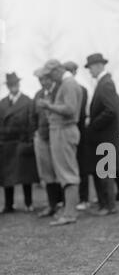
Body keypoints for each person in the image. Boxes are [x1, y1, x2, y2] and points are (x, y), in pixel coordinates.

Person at [37, 60, 83, 226]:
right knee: (65, 173)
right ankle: (68, 211)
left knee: (68, 174)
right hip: (60, 131)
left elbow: (70, 109)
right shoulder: (65, 84)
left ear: (57, 71)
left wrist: (49, 106)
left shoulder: (69, 84)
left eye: (50, 75)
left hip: (65, 131)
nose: (49, 78)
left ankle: (70, 214)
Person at [85, 53, 119, 216]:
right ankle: (106, 205)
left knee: (105, 173)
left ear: (99, 66)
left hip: (106, 137)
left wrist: (93, 124)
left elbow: (111, 110)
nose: (89, 71)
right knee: (104, 172)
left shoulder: (105, 84)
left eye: (90, 67)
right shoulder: (103, 83)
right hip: (103, 137)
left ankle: (109, 206)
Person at [0, 72, 39, 213]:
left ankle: (29, 203)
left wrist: (29, 141)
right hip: (6, 143)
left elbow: (31, 122)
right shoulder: (2, 103)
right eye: (10, 84)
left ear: (19, 84)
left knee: (25, 175)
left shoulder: (27, 101)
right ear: (8, 86)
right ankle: (8, 205)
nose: (13, 87)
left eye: (15, 84)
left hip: (21, 142)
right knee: (6, 177)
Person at [32, 67, 63, 217]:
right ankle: (52, 205)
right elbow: (33, 116)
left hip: (57, 136)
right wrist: (36, 132)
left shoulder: (58, 91)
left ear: (51, 78)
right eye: (40, 80)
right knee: (47, 172)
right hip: (42, 137)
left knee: (60, 170)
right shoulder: (38, 95)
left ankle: (63, 204)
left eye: (45, 79)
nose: (43, 82)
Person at [63, 61, 89, 210]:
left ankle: (83, 198)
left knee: (81, 166)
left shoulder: (81, 89)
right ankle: (70, 200)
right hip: (67, 133)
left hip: (78, 131)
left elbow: (78, 113)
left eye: (70, 70)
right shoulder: (62, 89)